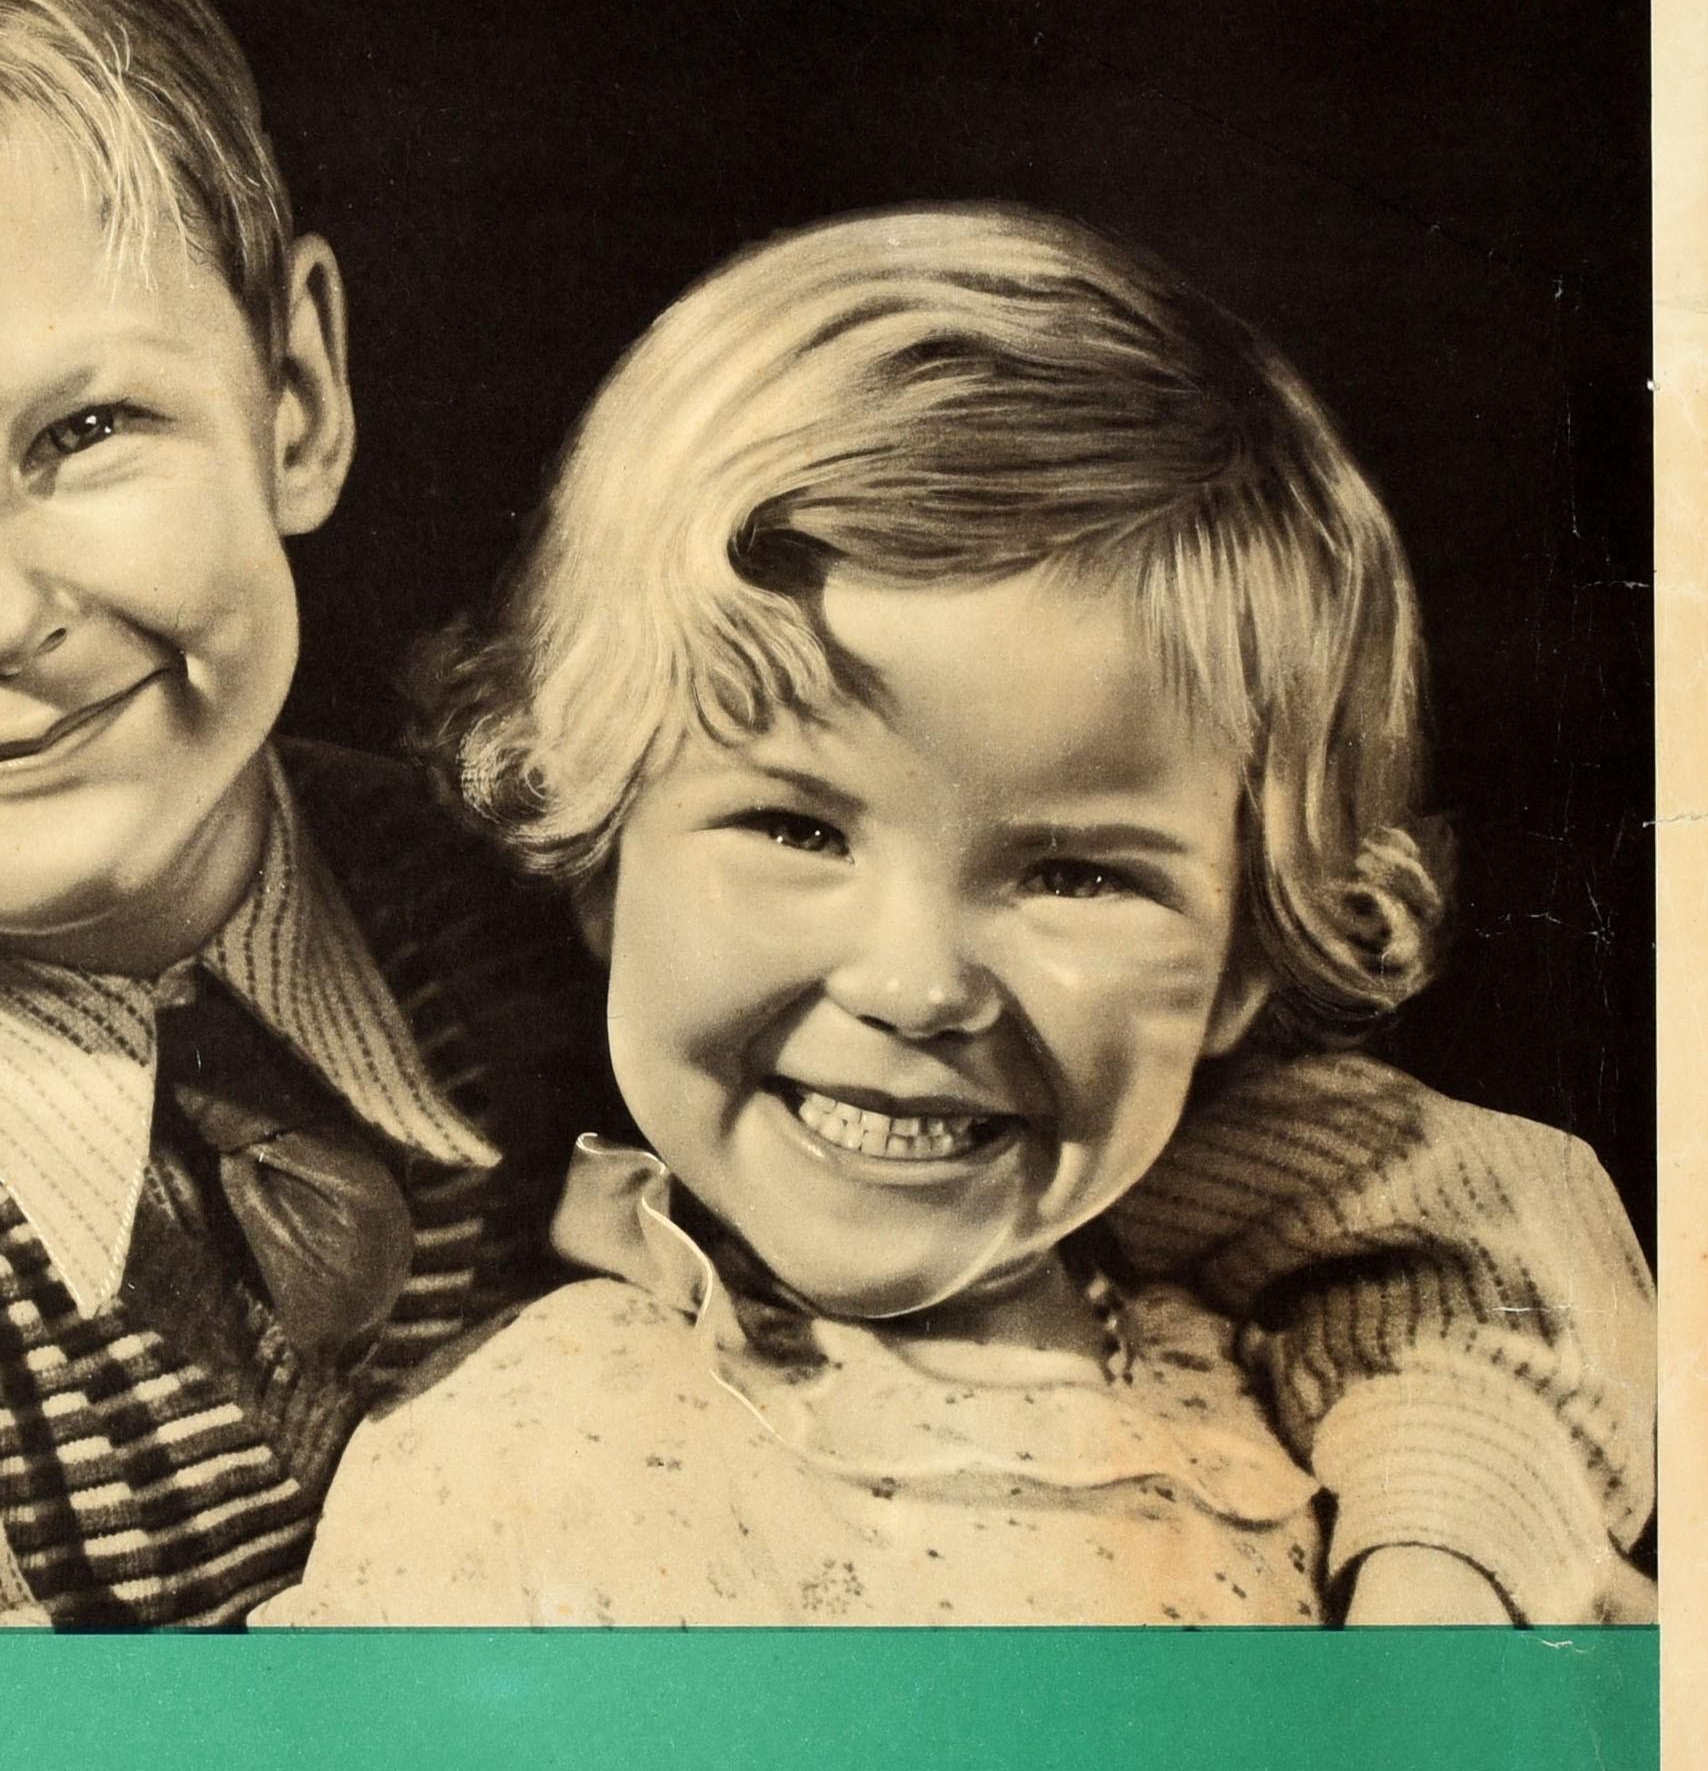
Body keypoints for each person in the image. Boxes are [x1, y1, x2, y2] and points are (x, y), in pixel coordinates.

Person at [0, 0, 1644, 1629]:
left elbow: (1451, 1202)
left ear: (294, 392)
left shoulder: (566, 890)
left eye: (85, 430)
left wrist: (1438, 1583)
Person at [261, 205, 1657, 1626]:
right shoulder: (522, 1476)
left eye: (1074, 873)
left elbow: (1469, 1213)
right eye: (798, 827)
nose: (919, 985)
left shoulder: (1322, 1403)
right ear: (603, 854)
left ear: (1246, 951)